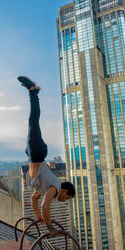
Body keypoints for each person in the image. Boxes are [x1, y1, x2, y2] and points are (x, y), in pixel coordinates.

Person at [18, 76, 75, 236]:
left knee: (32, 122)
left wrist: (39, 218)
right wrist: (49, 227)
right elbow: (45, 206)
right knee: (33, 121)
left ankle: (33, 92)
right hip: (37, 153)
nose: (65, 201)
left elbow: (34, 200)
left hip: (33, 155)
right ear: (66, 192)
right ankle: (33, 92)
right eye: (68, 199)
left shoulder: (46, 190)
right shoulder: (54, 188)